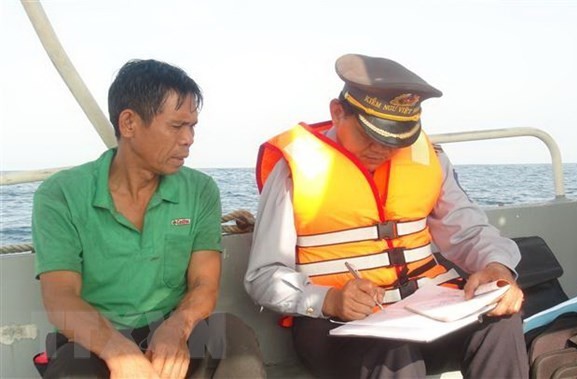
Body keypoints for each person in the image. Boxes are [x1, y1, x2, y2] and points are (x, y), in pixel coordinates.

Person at [245, 53, 528, 378]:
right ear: (337, 113)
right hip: (336, 326)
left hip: (428, 313)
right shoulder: (293, 171)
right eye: (371, 135)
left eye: (397, 140)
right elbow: (263, 276)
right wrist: (329, 300)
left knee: (502, 320)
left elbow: (469, 231)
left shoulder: (429, 159)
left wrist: (496, 265)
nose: (383, 149)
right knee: (392, 349)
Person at [33, 59, 264, 379]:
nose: (189, 139)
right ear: (128, 123)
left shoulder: (199, 190)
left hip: (174, 330)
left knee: (237, 343)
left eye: (192, 126)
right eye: (176, 125)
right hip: (92, 341)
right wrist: (119, 352)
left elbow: (204, 283)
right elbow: (61, 296)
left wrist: (176, 329)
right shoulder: (61, 194)